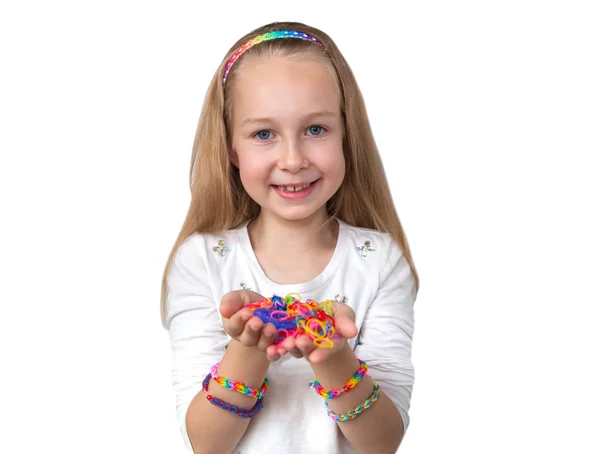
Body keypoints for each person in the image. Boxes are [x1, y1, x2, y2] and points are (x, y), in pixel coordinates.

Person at [160, 21, 420, 454]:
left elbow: (383, 442)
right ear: (230, 148)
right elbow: (205, 443)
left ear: (345, 134)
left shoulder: (378, 260)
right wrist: (250, 349)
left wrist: (334, 356)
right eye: (264, 134)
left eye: (315, 129)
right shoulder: (204, 260)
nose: (293, 159)